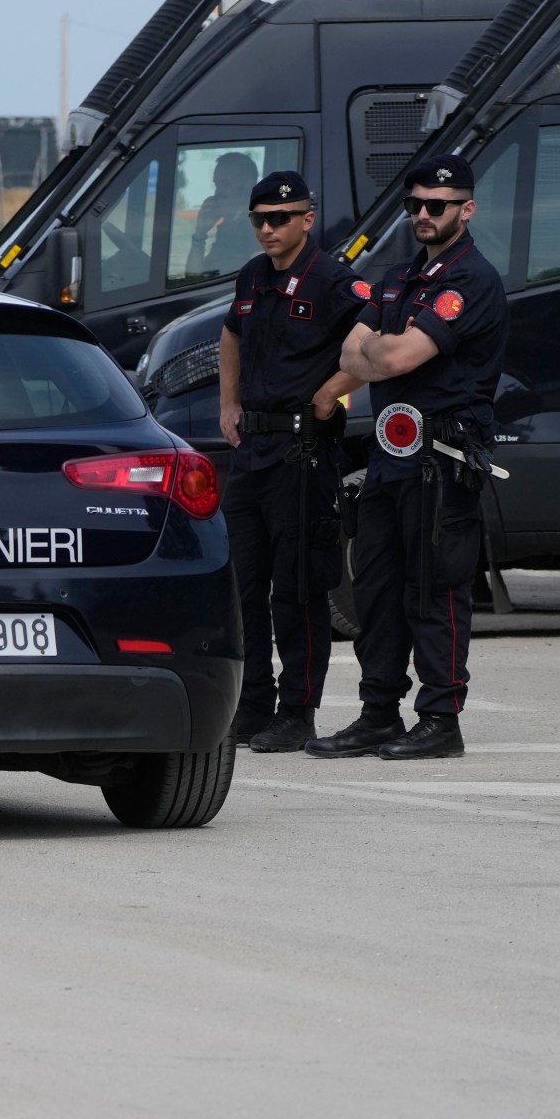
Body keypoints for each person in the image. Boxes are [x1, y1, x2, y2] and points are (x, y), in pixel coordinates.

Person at [308, 153, 509, 761]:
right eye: (414, 205)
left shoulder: (470, 281)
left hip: (441, 460)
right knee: (375, 589)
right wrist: (380, 349)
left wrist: (381, 350)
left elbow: (388, 362)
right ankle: (378, 714)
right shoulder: (399, 277)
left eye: (437, 206)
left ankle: (441, 719)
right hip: (392, 460)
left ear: (466, 209)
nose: (423, 215)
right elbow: (350, 354)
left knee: (435, 590)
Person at [214, 171, 364, 752]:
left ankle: (297, 711)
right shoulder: (254, 275)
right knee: (242, 584)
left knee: (297, 587)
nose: (268, 229)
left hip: (303, 452)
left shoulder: (333, 281)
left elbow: (376, 339)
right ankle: (251, 707)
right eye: (259, 220)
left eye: (280, 218)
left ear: (308, 218)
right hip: (253, 449)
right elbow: (231, 335)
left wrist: (332, 392)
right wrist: (228, 402)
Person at [185, 152, 258, 279]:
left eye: (226, 184)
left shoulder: (257, 230)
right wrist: (200, 233)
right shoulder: (227, 228)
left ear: (248, 186)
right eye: (216, 185)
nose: (217, 193)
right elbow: (192, 279)